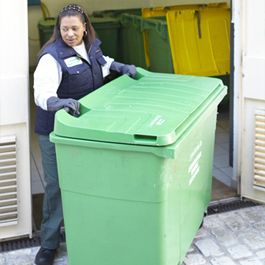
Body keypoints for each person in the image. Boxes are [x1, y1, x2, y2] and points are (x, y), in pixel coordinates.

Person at [33, 4, 136, 265]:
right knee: (57, 185)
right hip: (56, 132)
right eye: (64, 29)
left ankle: (94, 232)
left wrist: (122, 67)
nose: (69, 33)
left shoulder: (92, 46)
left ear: (85, 27)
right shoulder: (51, 56)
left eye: (74, 28)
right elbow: (41, 93)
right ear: (59, 29)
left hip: (87, 128)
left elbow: (103, 64)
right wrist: (59, 103)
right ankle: (48, 244)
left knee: (93, 181)